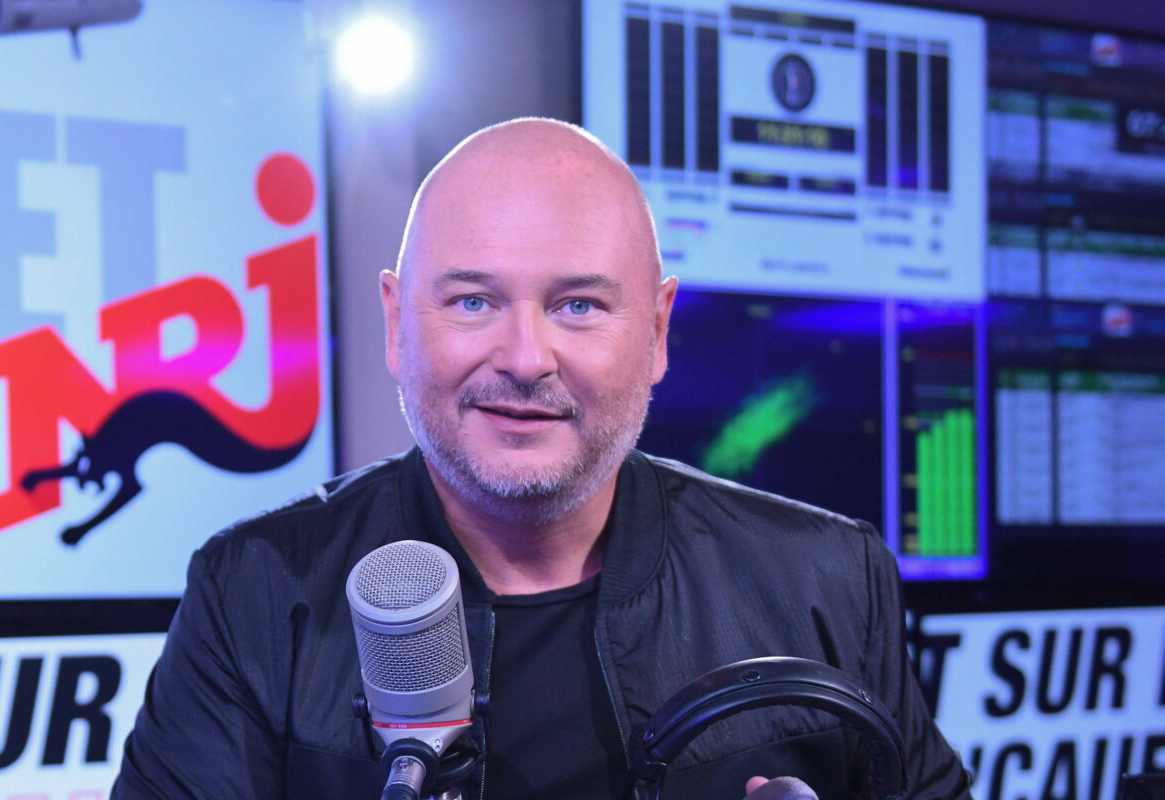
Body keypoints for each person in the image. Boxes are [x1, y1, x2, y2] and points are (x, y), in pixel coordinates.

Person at [112, 118, 971, 800]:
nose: (526, 359)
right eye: (473, 301)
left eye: (578, 306)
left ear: (658, 331)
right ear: (395, 322)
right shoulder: (255, 592)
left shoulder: (827, 578)